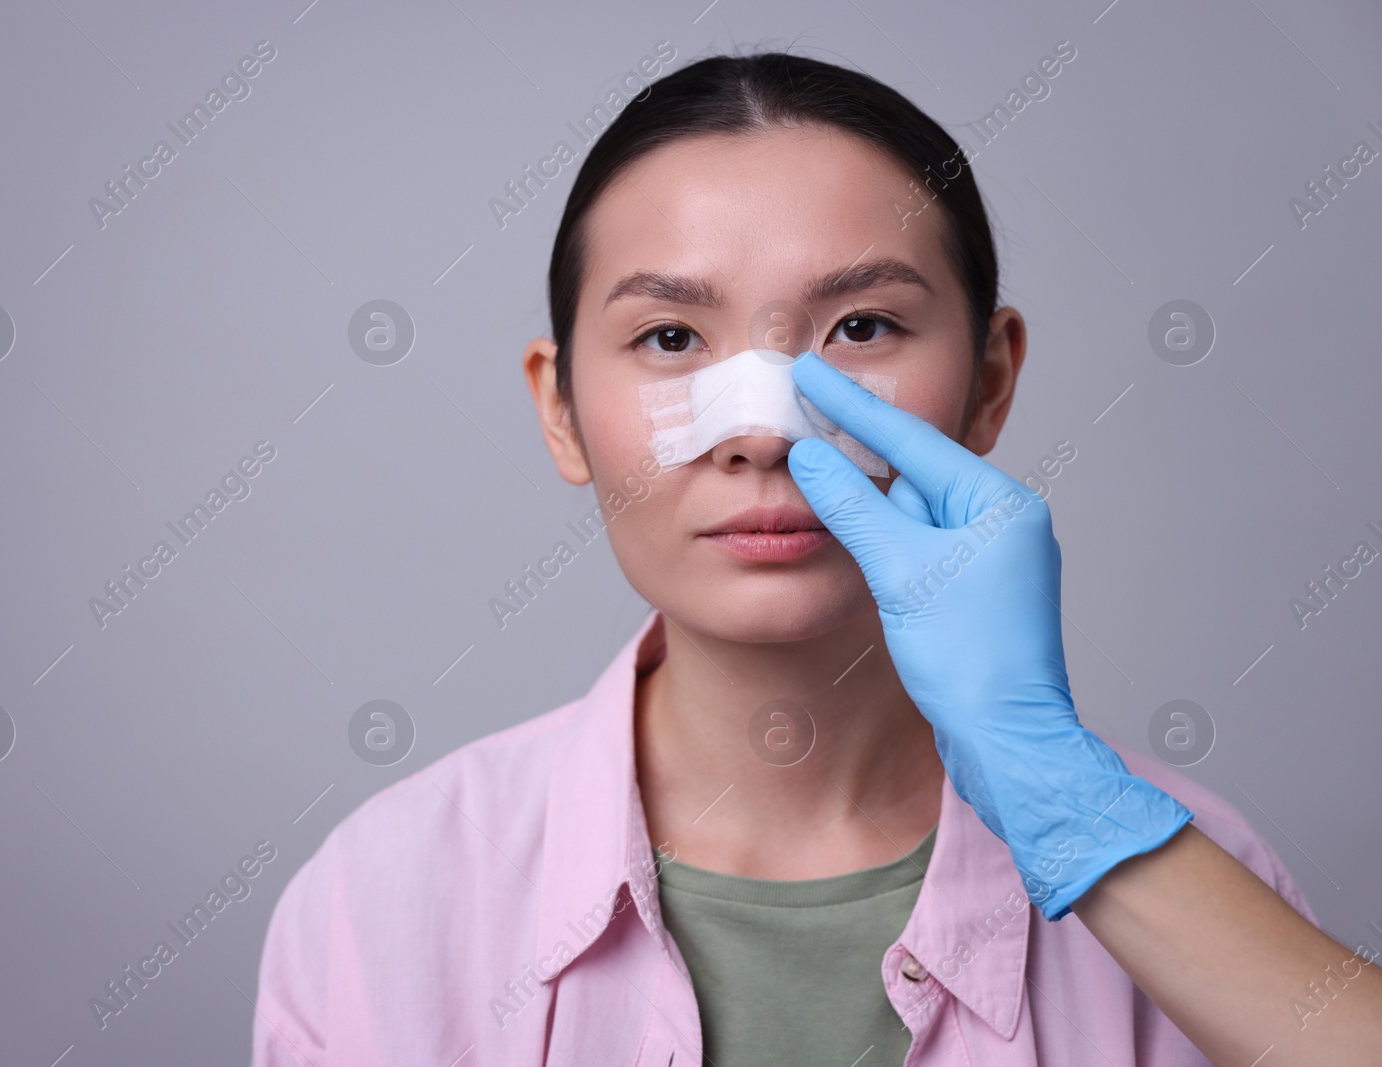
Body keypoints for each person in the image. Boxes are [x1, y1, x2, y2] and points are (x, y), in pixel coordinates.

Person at [250, 51, 1382, 1065]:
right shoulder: (380, 899)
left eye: (862, 329)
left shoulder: (1207, 880)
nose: (763, 430)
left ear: (989, 379)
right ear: (560, 410)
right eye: (671, 338)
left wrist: (1075, 813)